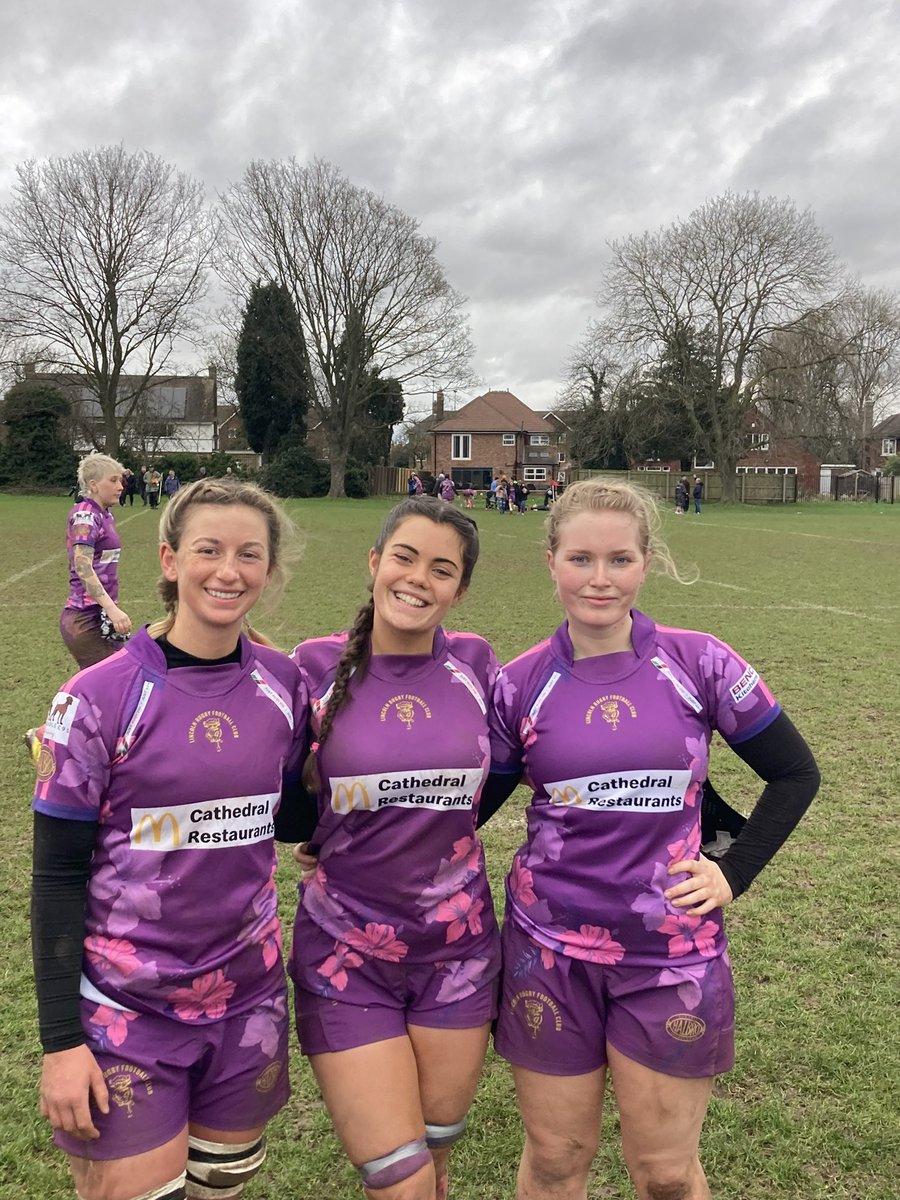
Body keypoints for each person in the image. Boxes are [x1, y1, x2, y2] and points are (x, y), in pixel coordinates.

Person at [487, 479, 820, 1200]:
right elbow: (464, 807)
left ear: (646, 563)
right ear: (551, 562)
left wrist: (737, 872)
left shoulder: (700, 661)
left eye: (619, 559)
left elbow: (795, 773)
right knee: (554, 1161)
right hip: (547, 952)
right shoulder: (517, 685)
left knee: (666, 1175)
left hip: (670, 955)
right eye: (581, 559)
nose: (599, 579)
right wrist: (339, 833)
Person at [30, 476, 306, 1200]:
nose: (228, 570)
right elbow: (56, 878)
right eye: (208, 549)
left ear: (268, 569)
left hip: (248, 1000)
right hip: (128, 1010)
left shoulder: (285, 684)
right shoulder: (96, 696)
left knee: (219, 1189)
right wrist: (61, 1043)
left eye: (249, 554)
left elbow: (296, 813)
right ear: (169, 559)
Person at [282, 496, 500, 1200]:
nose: (417, 579)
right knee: (399, 1180)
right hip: (346, 953)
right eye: (404, 557)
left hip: (459, 954)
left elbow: (513, 772)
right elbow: (274, 791)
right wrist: (317, 835)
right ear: (374, 562)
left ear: (459, 589)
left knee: (433, 1167)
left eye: (442, 569)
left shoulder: (478, 664)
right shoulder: (308, 667)